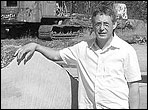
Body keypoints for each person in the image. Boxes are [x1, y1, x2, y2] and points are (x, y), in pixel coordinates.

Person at [14, 5, 142, 109]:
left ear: (114, 25)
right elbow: (56, 55)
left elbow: (134, 87)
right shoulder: (82, 48)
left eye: (106, 24)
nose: (102, 28)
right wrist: (36, 46)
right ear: (93, 25)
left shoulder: (126, 51)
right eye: (98, 24)